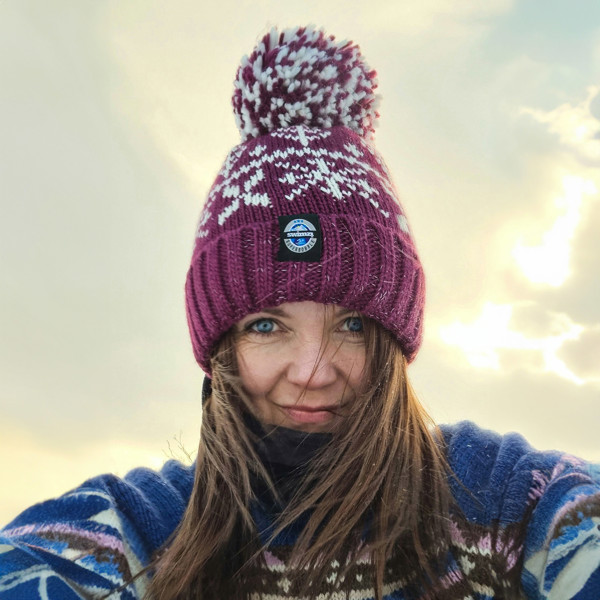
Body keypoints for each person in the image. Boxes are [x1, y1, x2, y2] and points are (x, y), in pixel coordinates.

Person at [1, 25, 598, 600]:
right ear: (222, 348)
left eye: (352, 325)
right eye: (267, 325)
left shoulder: (497, 503)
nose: (312, 370)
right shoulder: (144, 533)